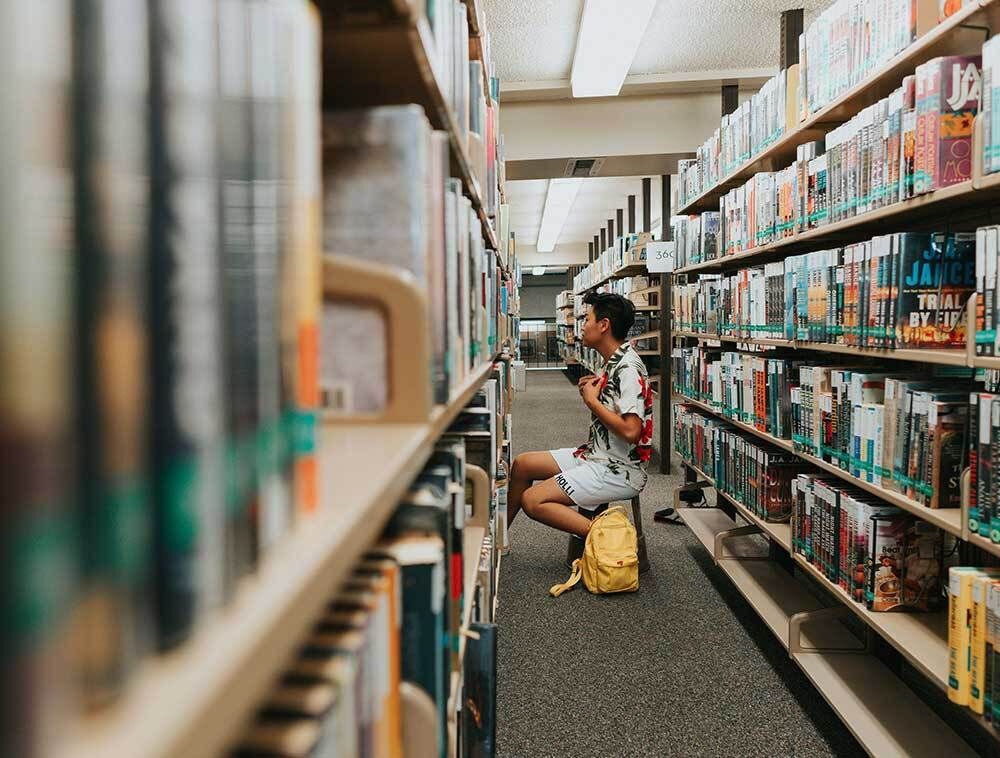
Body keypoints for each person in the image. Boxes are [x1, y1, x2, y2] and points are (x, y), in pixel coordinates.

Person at [507, 291, 654, 539]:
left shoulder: (628, 368)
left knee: (532, 501)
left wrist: (592, 402)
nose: (582, 327)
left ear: (604, 325)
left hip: (617, 470)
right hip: (595, 455)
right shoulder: (612, 361)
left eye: (587, 320)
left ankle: (611, 541)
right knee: (522, 465)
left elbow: (631, 432)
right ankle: (500, 539)